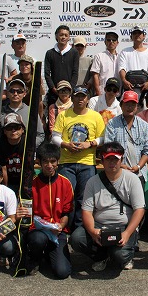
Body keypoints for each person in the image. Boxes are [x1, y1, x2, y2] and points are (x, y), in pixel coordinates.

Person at [70, 142, 145, 272]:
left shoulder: (133, 179)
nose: (112, 163)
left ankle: (125, 254)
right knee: (76, 239)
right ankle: (102, 256)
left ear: (121, 159)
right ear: (102, 160)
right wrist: (93, 231)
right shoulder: (92, 182)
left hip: (123, 226)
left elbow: (139, 209)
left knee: (120, 256)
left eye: (115, 159)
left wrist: (127, 233)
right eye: (108, 159)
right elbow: (87, 211)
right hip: (100, 226)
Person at [51, 85, 105, 229]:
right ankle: (66, 226)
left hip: (87, 163)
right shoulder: (63, 115)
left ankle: (81, 228)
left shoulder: (96, 116)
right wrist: (65, 144)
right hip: (66, 162)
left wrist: (90, 144)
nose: (80, 99)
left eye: (83, 96)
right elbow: (55, 137)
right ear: (72, 98)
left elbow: (103, 137)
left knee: (84, 197)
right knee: (67, 197)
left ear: (87, 99)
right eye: (77, 96)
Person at [17, 142, 73, 278]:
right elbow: (27, 215)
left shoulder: (65, 183)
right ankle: (35, 257)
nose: (49, 165)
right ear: (39, 162)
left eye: (53, 161)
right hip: (38, 231)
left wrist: (61, 226)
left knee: (62, 272)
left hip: (58, 232)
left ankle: (50, 252)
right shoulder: (31, 185)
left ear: (58, 162)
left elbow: (66, 212)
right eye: (45, 162)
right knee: (37, 240)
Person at [104, 90, 148, 186]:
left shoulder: (144, 125)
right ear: (121, 105)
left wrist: (138, 166)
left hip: (139, 173)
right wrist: (121, 166)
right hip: (118, 172)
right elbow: (108, 148)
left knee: (138, 201)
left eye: (133, 104)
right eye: (127, 104)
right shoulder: (112, 123)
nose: (130, 107)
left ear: (137, 107)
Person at [118, 25, 148, 104]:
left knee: (145, 115)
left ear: (144, 36)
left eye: (139, 33)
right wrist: (124, 80)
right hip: (129, 91)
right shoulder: (124, 52)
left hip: (145, 92)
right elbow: (122, 68)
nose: (137, 35)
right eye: (134, 33)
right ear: (131, 37)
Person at [0, 79, 45, 146]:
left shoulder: (31, 112)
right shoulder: (0, 112)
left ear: (24, 94)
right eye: (12, 91)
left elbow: (40, 135)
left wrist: (28, 146)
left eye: (19, 91)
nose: (15, 94)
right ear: (7, 93)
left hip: (24, 154)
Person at [0, 113, 27, 197]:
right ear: (4, 131)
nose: (13, 130)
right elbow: (3, 168)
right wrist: (6, 190)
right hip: (7, 180)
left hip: (25, 181)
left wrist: (24, 188)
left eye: (17, 127)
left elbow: (28, 167)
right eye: (9, 128)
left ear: (22, 130)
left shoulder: (28, 142)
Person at [44, 25, 79, 106]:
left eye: (66, 35)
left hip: (69, 94)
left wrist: (70, 89)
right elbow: (47, 74)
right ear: (56, 36)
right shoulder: (49, 53)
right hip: (54, 94)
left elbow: (75, 73)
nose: (63, 37)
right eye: (61, 35)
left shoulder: (74, 53)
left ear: (69, 37)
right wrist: (53, 89)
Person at [11, 54, 46, 131]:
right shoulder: (16, 78)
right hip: (19, 108)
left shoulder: (37, 78)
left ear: (31, 66)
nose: (24, 67)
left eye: (26, 64)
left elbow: (39, 100)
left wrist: (40, 119)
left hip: (34, 109)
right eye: (21, 65)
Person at [90, 31, 120, 95]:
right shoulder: (99, 56)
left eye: (114, 40)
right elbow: (95, 75)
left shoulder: (121, 57)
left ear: (117, 43)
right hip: (103, 93)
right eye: (109, 40)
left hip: (117, 93)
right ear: (105, 42)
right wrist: (98, 92)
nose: (111, 42)